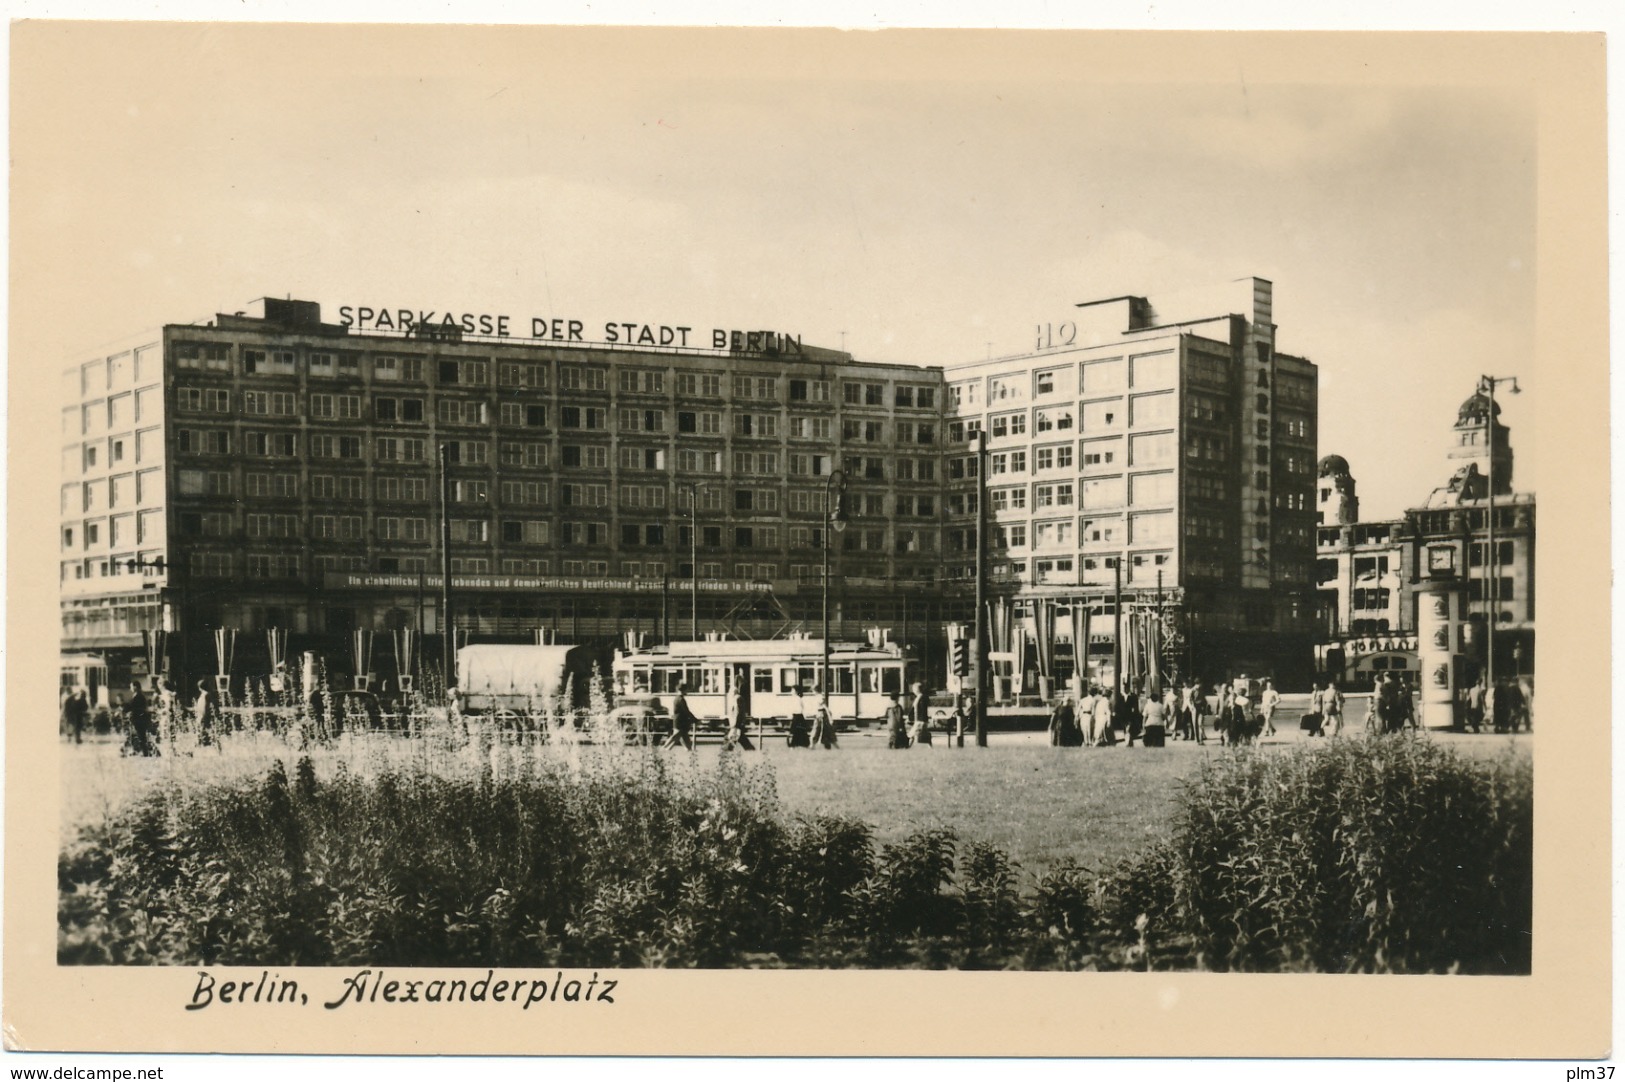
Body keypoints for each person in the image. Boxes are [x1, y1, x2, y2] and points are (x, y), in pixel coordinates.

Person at [123, 681, 156, 757]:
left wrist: (126, 709)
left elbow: (133, 706)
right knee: (139, 735)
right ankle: (140, 751)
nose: (130, 688)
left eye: (131, 686)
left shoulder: (139, 696)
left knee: (141, 735)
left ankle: (145, 752)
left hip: (140, 718)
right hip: (138, 718)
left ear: (135, 687)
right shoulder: (137, 695)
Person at [664, 684, 697, 750]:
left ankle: (688, 749)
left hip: (679, 721)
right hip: (680, 721)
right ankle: (664, 747)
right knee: (676, 736)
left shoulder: (677, 698)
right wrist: (694, 719)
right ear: (683, 690)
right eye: (686, 690)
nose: (687, 691)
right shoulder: (680, 699)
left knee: (681, 736)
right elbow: (686, 711)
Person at [194, 678, 220, 747]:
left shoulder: (205, 695)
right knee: (208, 734)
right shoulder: (207, 694)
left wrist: (202, 717)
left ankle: (196, 750)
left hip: (203, 716)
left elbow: (204, 707)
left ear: (200, 687)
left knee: (203, 734)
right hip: (204, 716)